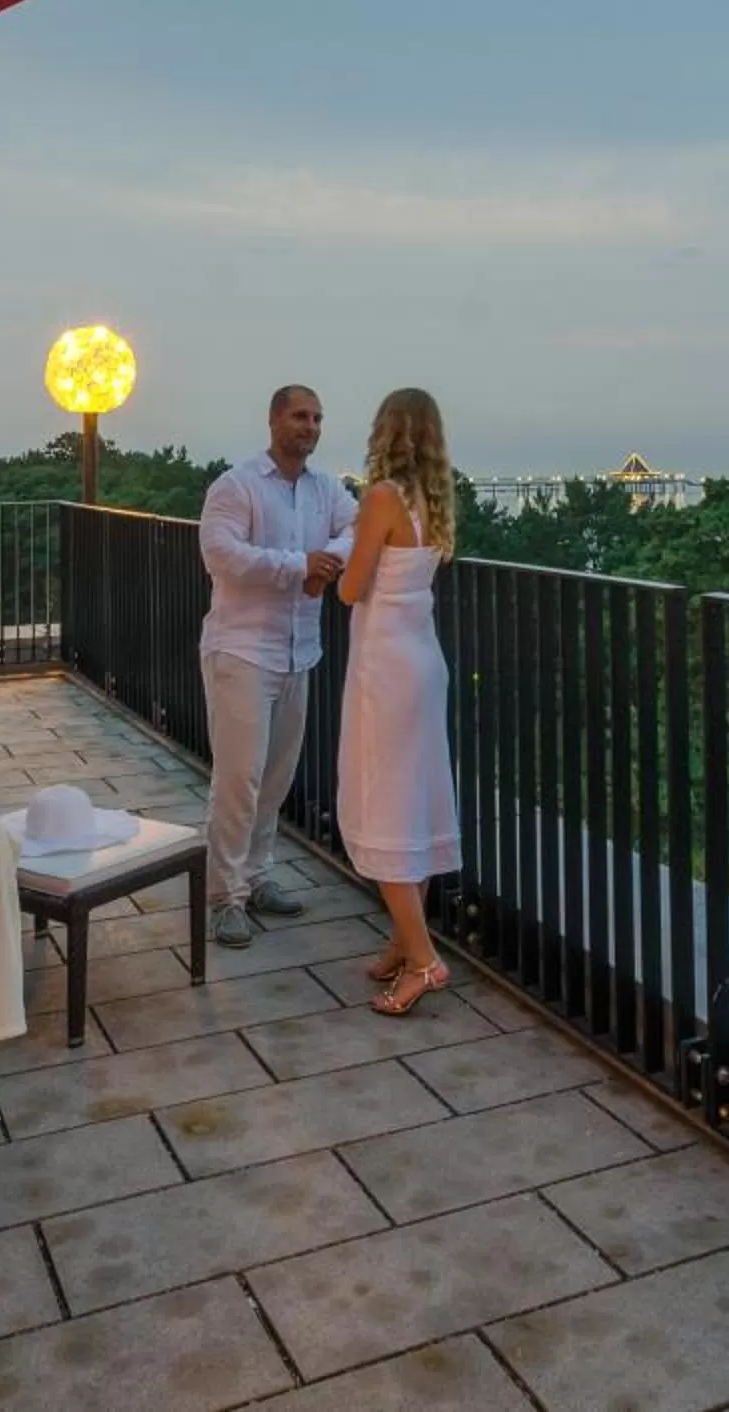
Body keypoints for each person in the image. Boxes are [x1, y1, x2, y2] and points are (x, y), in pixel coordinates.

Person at [197, 384, 357, 948]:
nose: (309, 426)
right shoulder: (237, 485)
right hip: (242, 650)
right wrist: (299, 566)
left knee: (277, 776)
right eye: (299, 416)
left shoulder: (325, 490)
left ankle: (256, 874)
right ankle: (223, 896)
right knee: (238, 778)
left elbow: (358, 530)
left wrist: (328, 562)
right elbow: (220, 554)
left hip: (298, 652)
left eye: (317, 417)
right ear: (273, 421)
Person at [334, 387, 460, 1016]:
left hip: (385, 669)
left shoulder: (381, 498)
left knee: (383, 801)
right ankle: (404, 937)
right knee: (414, 799)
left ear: (387, 433)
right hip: (423, 663)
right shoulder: (434, 503)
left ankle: (424, 962)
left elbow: (353, 588)